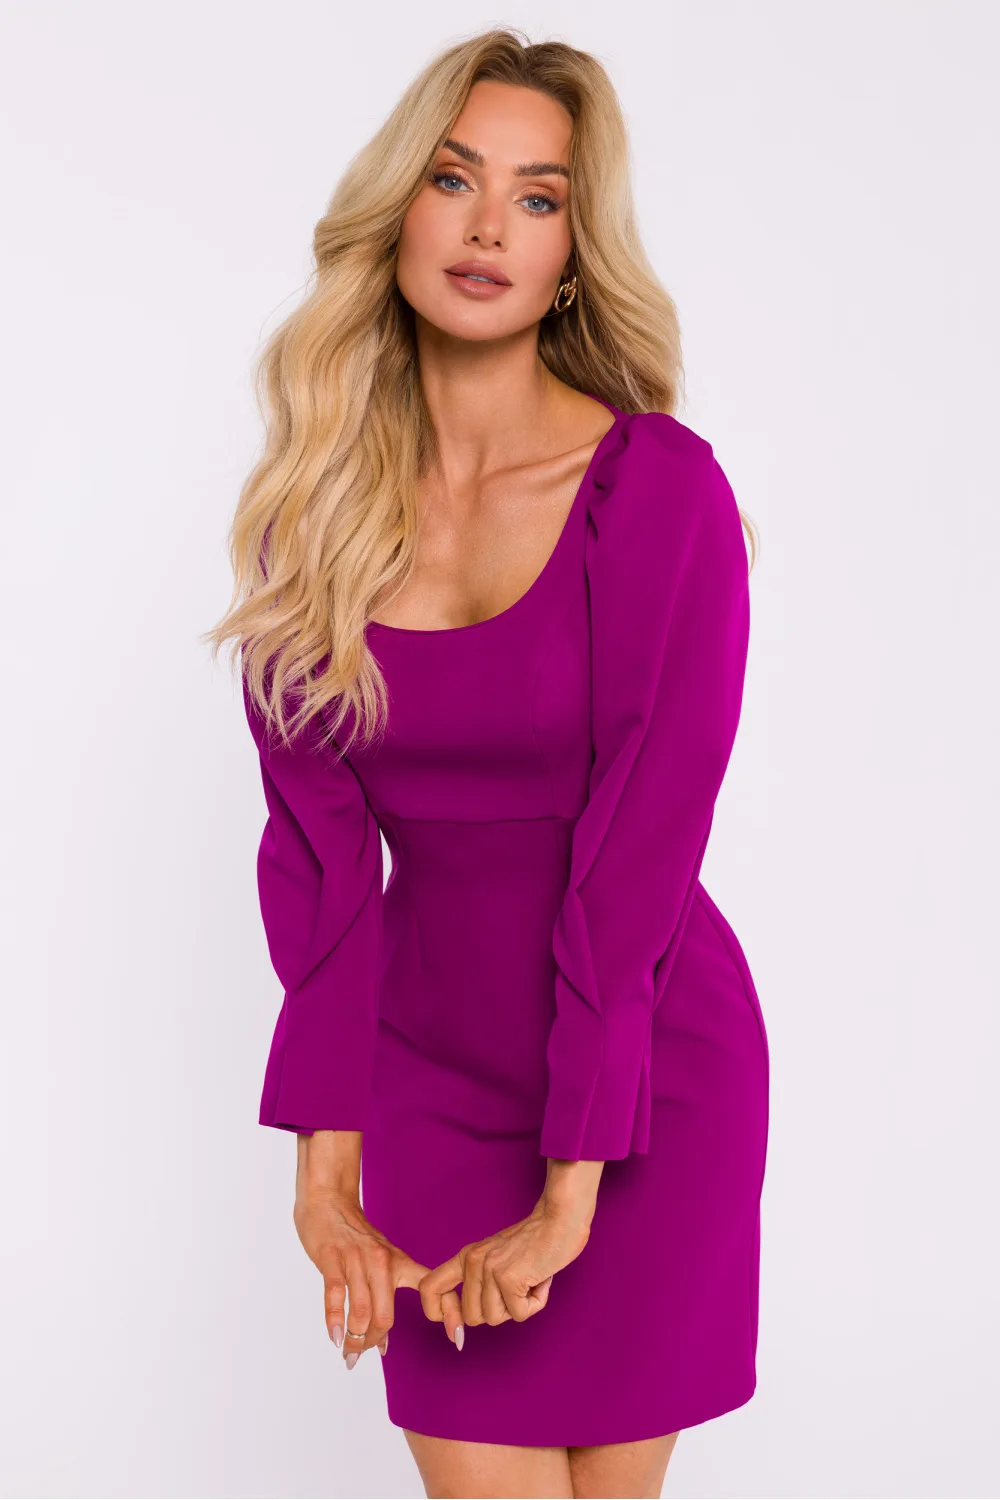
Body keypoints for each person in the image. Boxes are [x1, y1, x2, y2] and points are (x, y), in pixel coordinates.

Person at [207, 27, 770, 1500]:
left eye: (538, 197)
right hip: (435, 1079)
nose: (487, 227)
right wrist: (325, 1179)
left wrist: (573, 1189)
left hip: (643, 1077)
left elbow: (642, 851)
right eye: (455, 180)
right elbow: (325, 873)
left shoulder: (655, 493)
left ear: (574, 253)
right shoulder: (313, 524)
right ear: (398, 208)